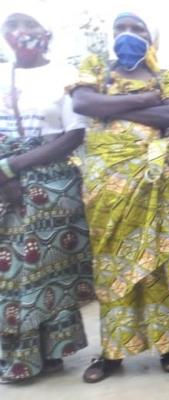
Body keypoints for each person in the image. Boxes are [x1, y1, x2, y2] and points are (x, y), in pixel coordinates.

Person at [71, 11, 169, 383]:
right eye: (120, 29)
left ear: (151, 37)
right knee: (112, 267)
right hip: (106, 189)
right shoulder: (96, 67)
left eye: (137, 29)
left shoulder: (167, 76)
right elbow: (83, 105)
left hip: (153, 183)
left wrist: (111, 104)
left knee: (158, 262)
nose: (127, 35)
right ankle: (112, 353)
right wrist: (147, 102)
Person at [0, 9, 93, 384]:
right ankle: (21, 355)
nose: (20, 36)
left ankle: (47, 354)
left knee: (41, 276)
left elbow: (73, 135)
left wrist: (11, 168)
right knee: (11, 274)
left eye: (29, 29)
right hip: (3, 179)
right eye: (11, 30)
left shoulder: (64, 76)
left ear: (45, 34)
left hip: (51, 186)